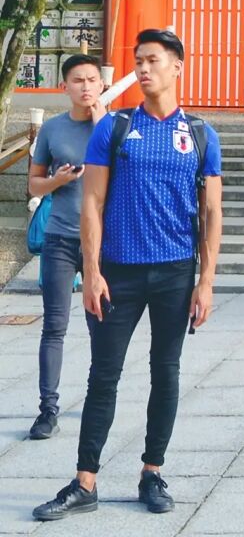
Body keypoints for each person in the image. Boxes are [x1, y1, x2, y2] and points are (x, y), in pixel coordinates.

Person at [32, 28, 222, 521]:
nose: (143, 69)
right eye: (138, 61)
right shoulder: (114, 128)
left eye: (153, 60)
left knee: (166, 371)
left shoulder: (200, 134)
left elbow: (211, 212)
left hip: (175, 271)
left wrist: (205, 281)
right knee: (104, 374)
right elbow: (92, 203)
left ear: (177, 66)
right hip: (118, 271)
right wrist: (92, 271)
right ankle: (84, 481)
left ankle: (152, 471)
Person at [27, 54, 106, 441]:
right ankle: (48, 409)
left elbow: (125, 176)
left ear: (102, 85)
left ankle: (98, 400)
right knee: (54, 326)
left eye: (92, 79)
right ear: (65, 87)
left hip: (103, 243)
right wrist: (57, 181)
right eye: (78, 80)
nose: (85, 87)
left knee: (101, 327)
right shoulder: (53, 130)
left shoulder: (114, 127)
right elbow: (33, 184)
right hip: (60, 237)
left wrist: (102, 126)